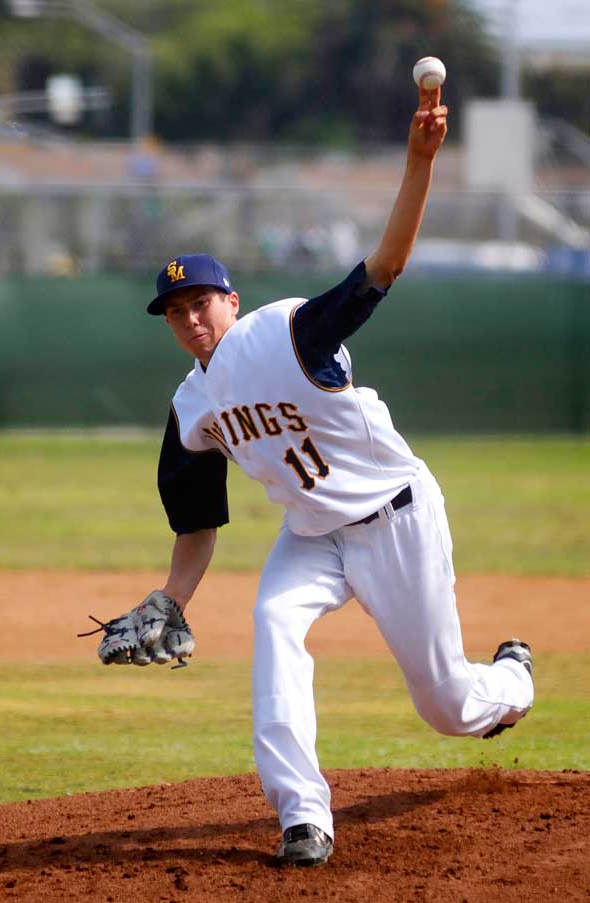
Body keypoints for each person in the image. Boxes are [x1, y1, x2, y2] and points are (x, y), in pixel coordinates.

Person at [93, 86, 534, 867]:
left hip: (394, 516)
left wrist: (420, 161)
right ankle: (303, 815)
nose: (189, 318)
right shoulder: (191, 405)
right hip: (310, 536)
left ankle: (512, 678)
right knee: (272, 622)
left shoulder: (287, 331)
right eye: (174, 311)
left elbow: (383, 266)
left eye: (200, 301)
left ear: (231, 301)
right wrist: (172, 598)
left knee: (447, 704)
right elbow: (197, 525)